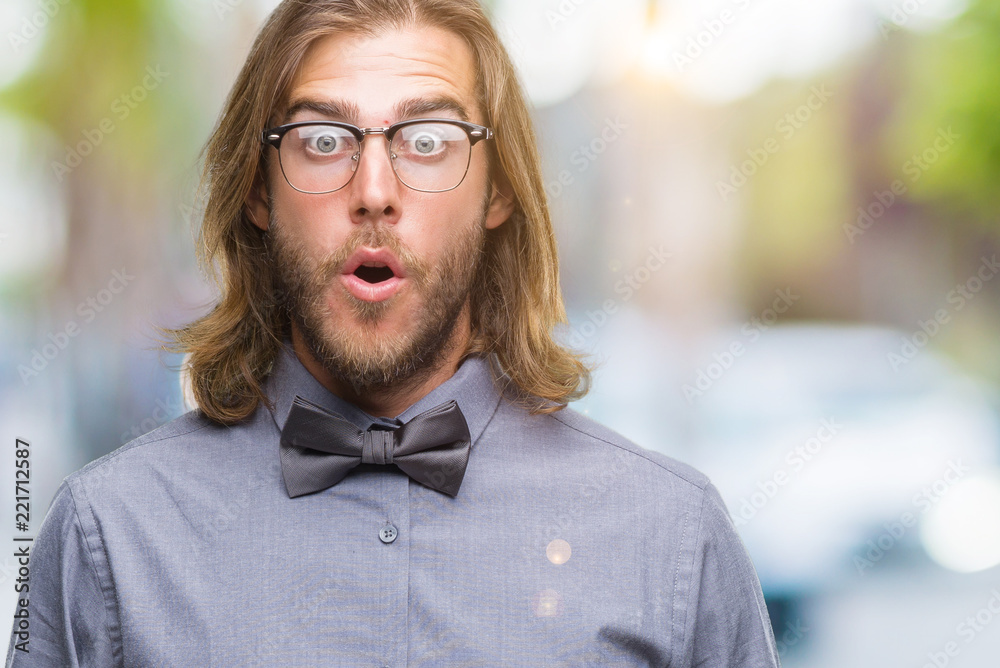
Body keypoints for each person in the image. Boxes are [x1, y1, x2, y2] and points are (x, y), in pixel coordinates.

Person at [6, 0, 780, 665]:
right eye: (322, 140)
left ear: (498, 190)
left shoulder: (673, 539)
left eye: (429, 139)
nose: (374, 191)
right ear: (258, 191)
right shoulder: (107, 541)